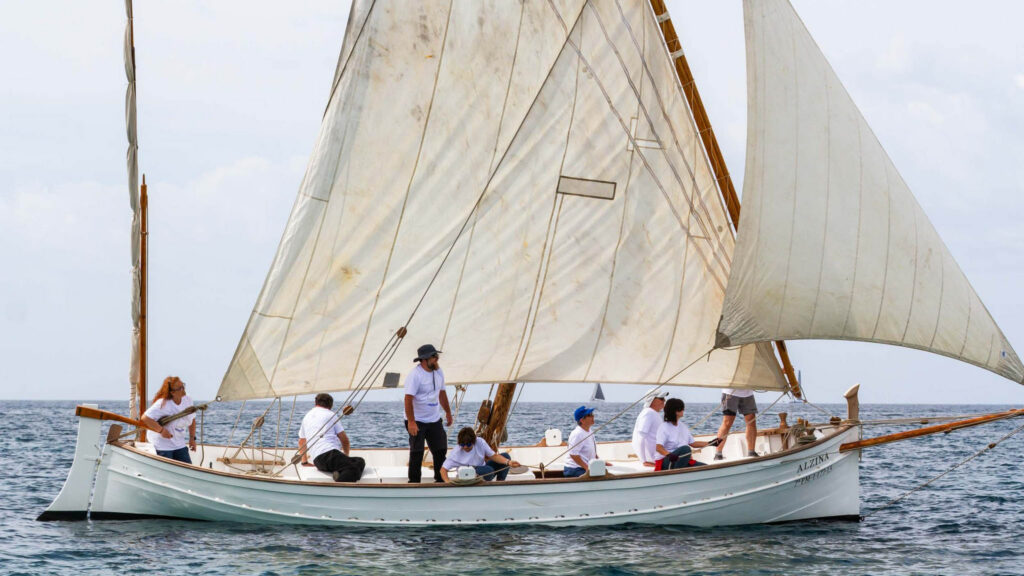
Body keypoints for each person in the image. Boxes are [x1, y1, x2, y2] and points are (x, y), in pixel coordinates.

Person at [405, 344, 454, 483]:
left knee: (440, 450)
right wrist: (412, 422)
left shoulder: (438, 372)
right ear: (424, 359)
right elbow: (408, 399)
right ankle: (414, 483)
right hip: (417, 420)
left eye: (436, 356)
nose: (436, 359)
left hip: (434, 419)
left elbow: (442, 394)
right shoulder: (415, 375)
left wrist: (448, 413)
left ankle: (440, 480)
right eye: (434, 356)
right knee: (417, 452)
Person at [298, 393, 365, 482]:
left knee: (359, 460)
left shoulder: (306, 417)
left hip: (318, 461)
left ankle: (338, 473)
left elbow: (301, 441)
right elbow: (344, 440)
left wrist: (304, 462)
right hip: (329, 454)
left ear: (315, 402)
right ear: (331, 405)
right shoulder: (331, 415)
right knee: (353, 467)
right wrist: (346, 457)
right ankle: (338, 488)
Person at [141, 376, 196, 464]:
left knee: (188, 468)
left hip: (179, 443)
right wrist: (162, 430)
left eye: (183, 386)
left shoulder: (188, 400)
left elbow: (192, 419)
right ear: (172, 392)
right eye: (180, 388)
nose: (183, 389)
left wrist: (192, 438)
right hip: (162, 445)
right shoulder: (163, 404)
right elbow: (145, 418)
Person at [440, 427, 521, 483]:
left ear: (474, 441)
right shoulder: (456, 452)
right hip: (467, 475)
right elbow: (443, 470)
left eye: (468, 445)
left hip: (482, 469)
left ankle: (500, 483)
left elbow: (494, 456)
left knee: (506, 456)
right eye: (462, 444)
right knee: (488, 470)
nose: (465, 447)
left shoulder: (480, 442)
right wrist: (448, 482)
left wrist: (509, 462)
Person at [655, 398, 716, 470]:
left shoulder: (682, 426)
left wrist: (712, 443)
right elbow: (658, 447)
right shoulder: (664, 427)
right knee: (686, 449)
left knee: (705, 468)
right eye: (682, 408)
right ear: (676, 411)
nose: (683, 410)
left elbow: (693, 443)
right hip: (667, 462)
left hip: (680, 461)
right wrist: (669, 455)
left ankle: (681, 472)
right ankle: (676, 474)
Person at [562, 406, 612, 478]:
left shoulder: (589, 431)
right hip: (574, 469)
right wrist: (588, 468)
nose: (593, 416)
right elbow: (573, 455)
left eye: (592, 414)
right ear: (582, 420)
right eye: (589, 415)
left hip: (583, 467)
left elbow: (593, 453)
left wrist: (601, 463)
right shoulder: (578, 434)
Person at [715, 387, 758, 460]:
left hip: (748, 393)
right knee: (727, 422)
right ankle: (718, 454)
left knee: (751, 421)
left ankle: (751, 452)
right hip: (730, 392)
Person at [631, 389, 669, 467]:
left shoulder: (653, 413)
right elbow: (640, 438)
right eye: (661, 398)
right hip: (653, 459)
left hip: (658, 456)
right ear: (652, 400)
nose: (664, 400)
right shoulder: (648, 413)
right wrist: (644, 461)